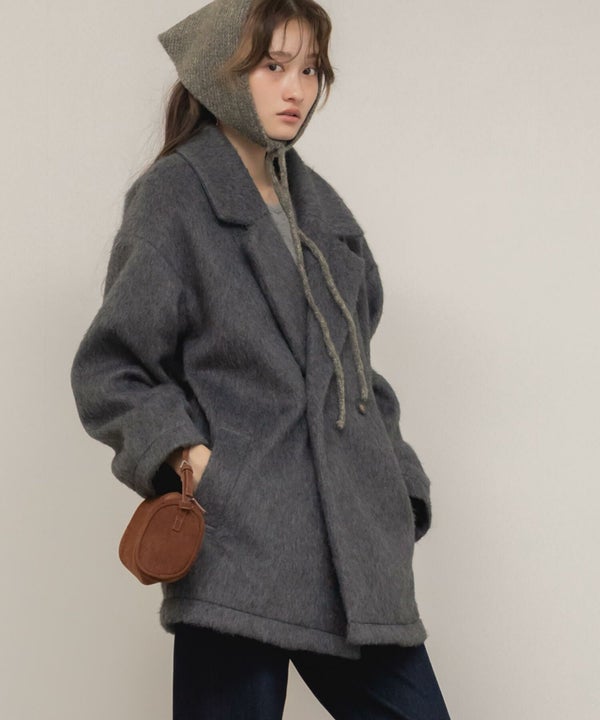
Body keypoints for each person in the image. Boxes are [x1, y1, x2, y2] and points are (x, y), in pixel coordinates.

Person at [70, 0, 452, 717]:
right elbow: (112, 369)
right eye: (274, 66)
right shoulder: (175, 197)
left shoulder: (323, 213)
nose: (296, 89)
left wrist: (398, 489)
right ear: (222, 73)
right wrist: (196, 463)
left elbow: (356, 369)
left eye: (310, 70)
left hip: (355, 553)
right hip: (240, 549)